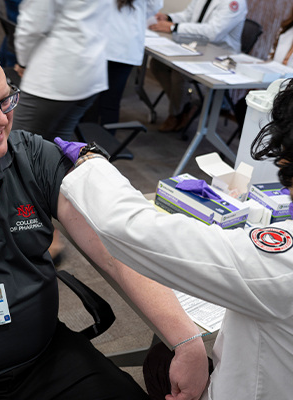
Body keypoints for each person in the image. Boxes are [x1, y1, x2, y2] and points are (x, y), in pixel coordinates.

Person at [0, 24, 209, 399]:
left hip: (46, 359)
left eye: (6, 99)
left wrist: (186, 340)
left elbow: (114, 252)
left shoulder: (31, 156)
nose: (0, 121)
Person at [56, 78, 293, 399]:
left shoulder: (280, 263)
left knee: (159, 365)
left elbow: (133, 231)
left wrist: (89, 162)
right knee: (162, 359)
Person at [11, 0, 109, 142]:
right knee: (57, 144)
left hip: (55, 76)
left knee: (16, 144)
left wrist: (23, 61)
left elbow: (32, 26)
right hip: (90, 71)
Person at [148, 0, 247, 132]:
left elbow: (213, 33)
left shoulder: (235, 3)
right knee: (157, 64)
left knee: (180, 72)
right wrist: (168, 18)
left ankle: (176, 113)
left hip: (218, 55)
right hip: (197, 46)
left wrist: (174, 27)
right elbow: (188, 15)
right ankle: (187, 105)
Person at [83, 0, 163, 132]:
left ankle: (82, 146)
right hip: (126, 45)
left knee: (90, 100)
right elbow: (154, 6)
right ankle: (105, 148)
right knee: (111, 103)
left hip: (101, 41)